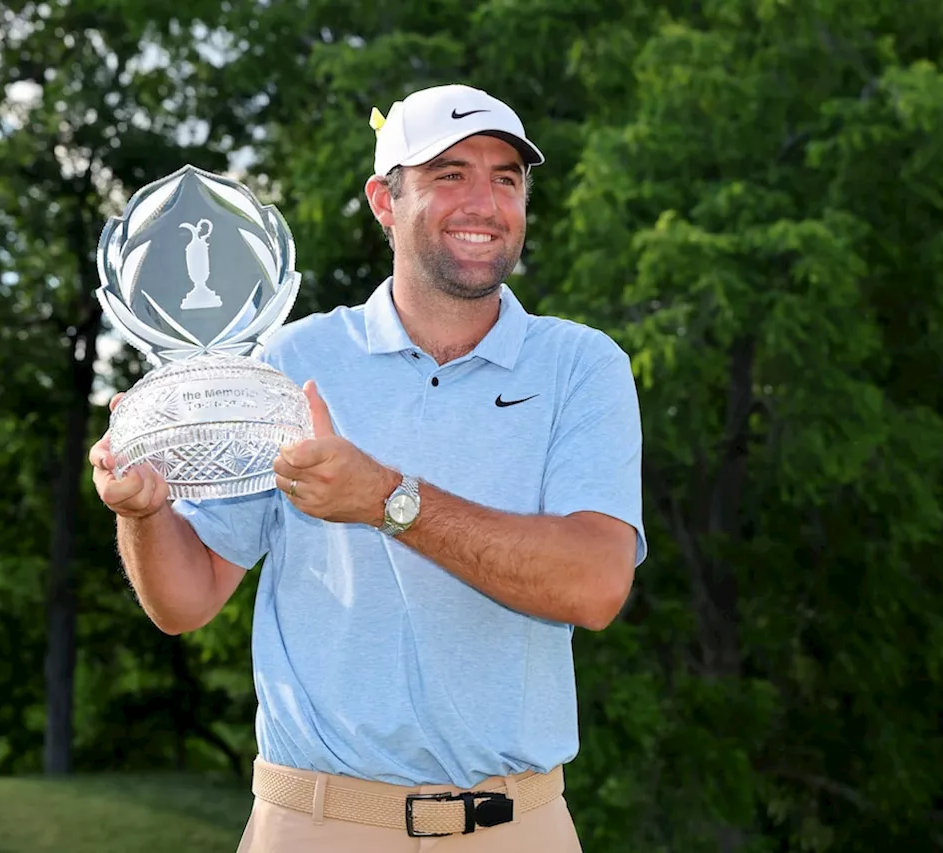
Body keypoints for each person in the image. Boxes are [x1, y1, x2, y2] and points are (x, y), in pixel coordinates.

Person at [89, 83, 647, 852]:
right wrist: (143, 512)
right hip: (314, 824)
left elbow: (595, 583)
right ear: (384, 200)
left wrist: (388, 498)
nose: (484, 201)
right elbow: (183, 601)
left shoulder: (581, 365)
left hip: (515, 827)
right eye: (450, 174)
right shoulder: (289, 362)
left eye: (506, 178)